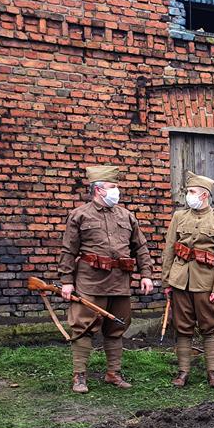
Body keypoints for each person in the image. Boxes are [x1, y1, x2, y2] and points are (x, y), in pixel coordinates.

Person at [59, 165, 154, 394]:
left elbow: (140, 247)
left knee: (116, 328)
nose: (117, 191)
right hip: (90, 282)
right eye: (113, 187)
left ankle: (113, 373)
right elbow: (68, 250)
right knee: (83, 327)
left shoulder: (126, 216)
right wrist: (66, 281)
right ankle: (80, 376)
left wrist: (146, 274)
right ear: (99, 190)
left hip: (119, 282)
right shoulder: (80, 215)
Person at [160, 171, 214, 388]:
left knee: (209, 327)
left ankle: (213, 372)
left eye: (192, 192)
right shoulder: (179, 217)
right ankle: (183, 372)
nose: (188, 196)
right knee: (183, 327)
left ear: (203, 195)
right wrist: (167, 282)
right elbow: (169, 251)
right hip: (180, 280)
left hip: (206, 283)